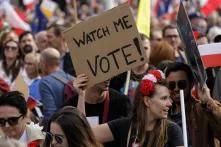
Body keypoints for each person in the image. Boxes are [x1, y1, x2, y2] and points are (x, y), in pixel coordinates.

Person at [92, 70, 184, 147]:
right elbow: (83, 134)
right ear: (147, 101)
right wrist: (81, 94)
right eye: (164, 98)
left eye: (169, 98)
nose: (170, 103)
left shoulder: (172, 131)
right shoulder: (124, 126)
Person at [165, 62, 221, 147]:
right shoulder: (163, 113)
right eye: (171, 85)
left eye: (182, 84)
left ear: (191, 84)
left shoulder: (203, 109)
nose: (176, 89)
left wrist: (208, 102)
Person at [39, 48, 73, 125]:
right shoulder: (72, 79)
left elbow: (50, 114)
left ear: (44, 63)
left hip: (58, 129)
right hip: (74, 125)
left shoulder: (45, 82)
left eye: (40, 62)